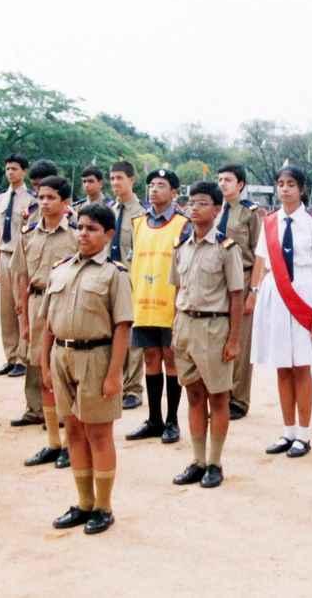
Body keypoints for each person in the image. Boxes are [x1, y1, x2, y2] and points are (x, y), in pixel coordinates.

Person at [39, 203, 132, 535]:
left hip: (96, 357)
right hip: (62, 355)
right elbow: (48, 322)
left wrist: (114, 373)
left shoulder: (114, 274)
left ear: (108, 234)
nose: (83, 233)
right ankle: (84, 502)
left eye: (92, 229)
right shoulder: (60, 269)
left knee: (99, 433)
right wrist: (44, 362)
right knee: (74, 431)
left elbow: (123, 326)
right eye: (80, 227)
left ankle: (103, 507)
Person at [249, 165, 312, 458]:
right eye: (281, 183)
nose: (285, 189)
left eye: (291, 184)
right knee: (282, 366)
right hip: (276, 295)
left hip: (304, 294)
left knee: (301, 366)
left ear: (301, 188)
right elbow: (262, 263)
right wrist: (254, 294)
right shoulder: (270, 222)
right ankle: (288, 431)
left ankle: (304, 435)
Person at [168, 182, 244, 489]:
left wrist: (234, 339)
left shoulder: (226, 248)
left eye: (202, 203)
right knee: (194, 395)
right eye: (191, 203)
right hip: (185, 325)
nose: (194, 208)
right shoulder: (181, 247)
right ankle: (198, 460)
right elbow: (177, 289)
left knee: (218, 397)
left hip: (214, 328)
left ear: (217, 209)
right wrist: (174, 327)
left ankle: (215, 462)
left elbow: (236, 295)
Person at [13, 176, 78, 467]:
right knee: (44, 374)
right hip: (37, 303)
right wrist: (24, 317)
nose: (44, 203)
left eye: (51, 197)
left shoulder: (75, 235)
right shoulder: (29, 234)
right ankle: (53, 441)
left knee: (66, 376)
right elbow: (22, 275)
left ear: (65, 202)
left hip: (66, 306)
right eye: (40, 197)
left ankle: (71, 443)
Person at [125, 169, 190, 444]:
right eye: (151, 185)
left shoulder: (183, 224)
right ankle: (154, 419)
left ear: (174, 192)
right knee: (150, 358)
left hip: (171, 303)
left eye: (161, 185)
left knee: (171, 359)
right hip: (143, 302)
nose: (154, 190)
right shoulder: (138, 222)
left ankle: (172, 421)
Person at [215, 164, 261, 420]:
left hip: (242, 278)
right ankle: (221, 395)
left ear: (240, 184)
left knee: (240, 340)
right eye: (220, 179)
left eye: (228, 179)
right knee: (218, 337)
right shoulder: (214, 209)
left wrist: (254, 290)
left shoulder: (249, 213)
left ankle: (239, 400)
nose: (223, 183)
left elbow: (259, 255)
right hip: (216, 281)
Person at [0, 154, 37, 378]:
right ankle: (10, 356)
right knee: (6, 310)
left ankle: (23, 357)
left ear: (24, 171)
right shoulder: (0, 200)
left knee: (21, 307)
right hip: (5, 256)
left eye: (15, 169)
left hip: (22, 258)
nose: (10, 172)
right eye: (8, 168)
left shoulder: (32, 200)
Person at [107, 161, 147, 410]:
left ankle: (132, 388)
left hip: (132, 280)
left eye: (119, 178)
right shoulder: (109, 211)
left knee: (131, 336)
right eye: (112, 178)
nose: (115, 183)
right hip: (109, 279)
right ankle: (115, 383)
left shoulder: (141, 214)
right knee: (110, 333)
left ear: (132, 180)